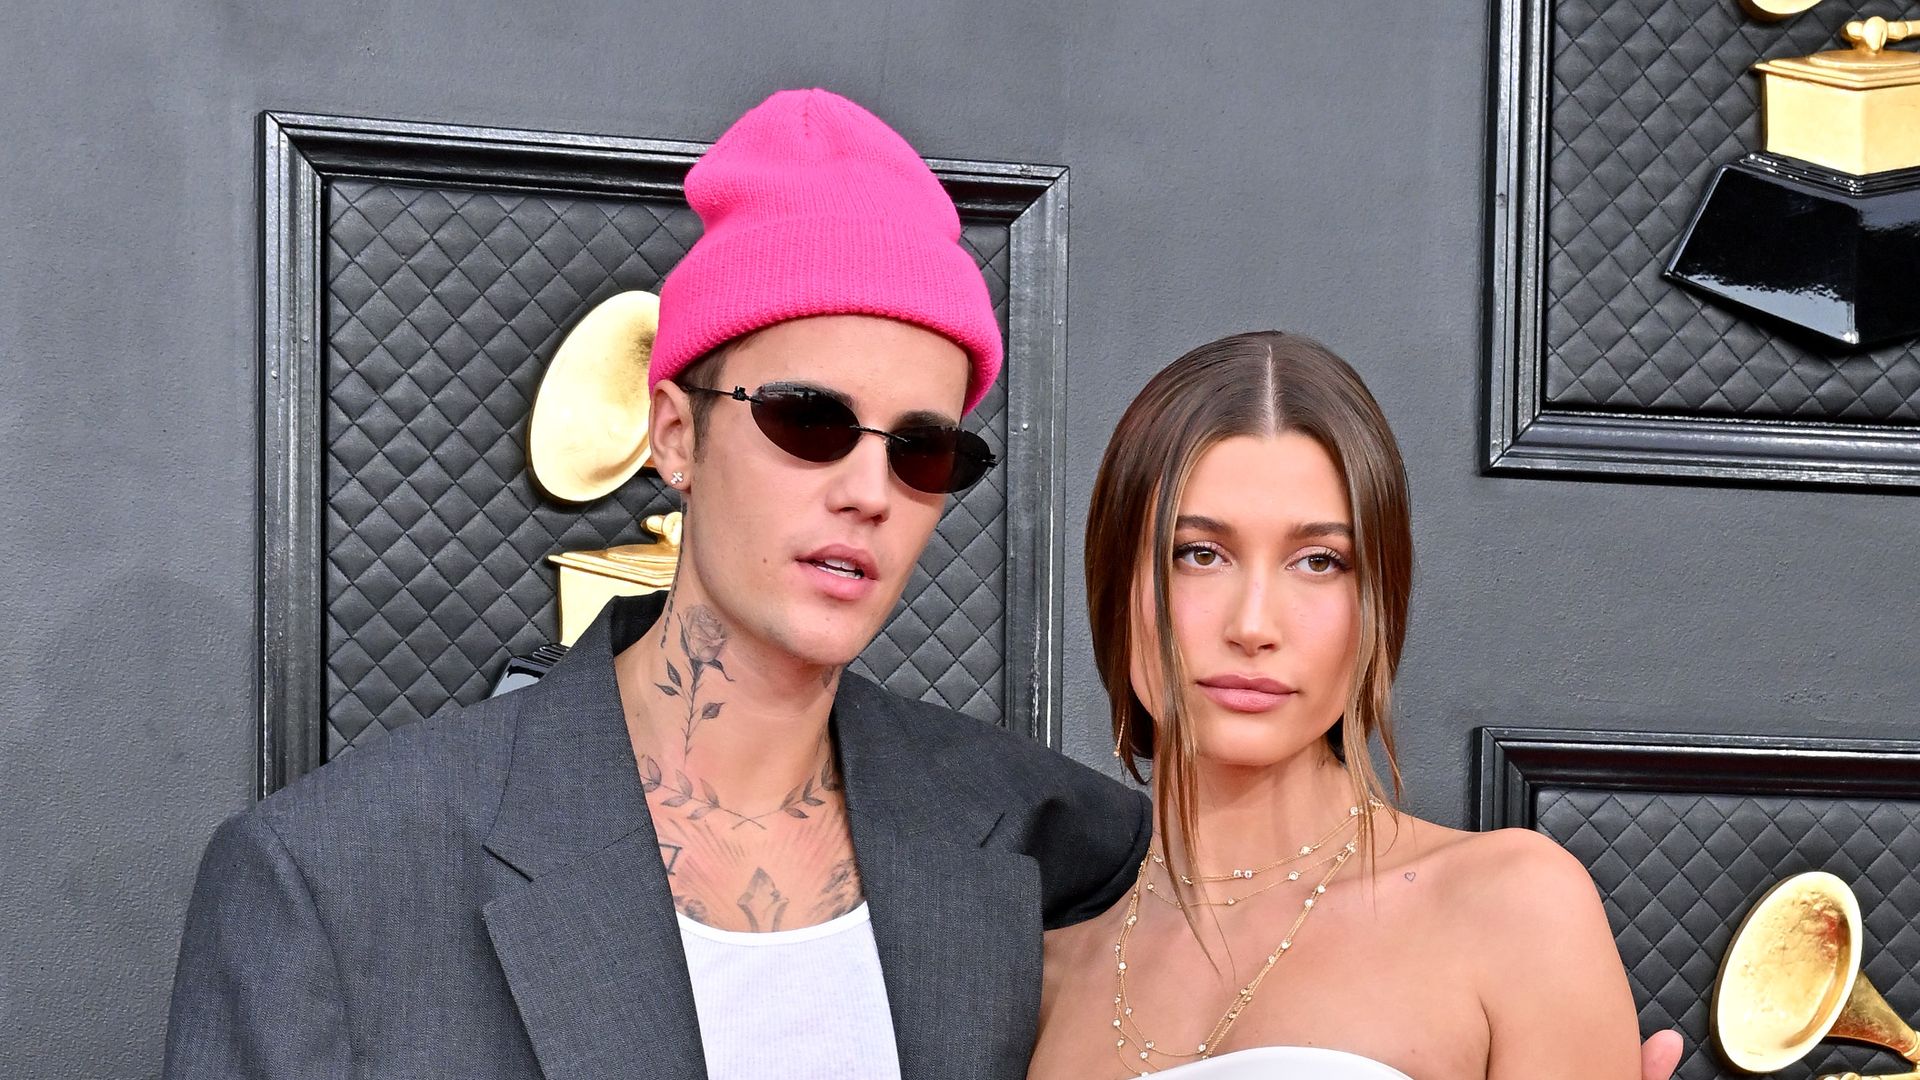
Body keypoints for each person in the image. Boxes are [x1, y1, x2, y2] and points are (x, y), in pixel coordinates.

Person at [161, 89, 1149, 1080]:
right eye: (810, 421)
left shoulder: (1054, 843)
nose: (867, 493)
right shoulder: (334, 879)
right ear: (676, 433)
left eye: (924, 452)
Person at [1027, 331, 1680, 1080]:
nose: (1253, 625)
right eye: (1199, 553)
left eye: (1319, 562)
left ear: (1380, 602)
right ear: (1117, 583)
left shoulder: (1512, 907)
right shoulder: (1045, 981)